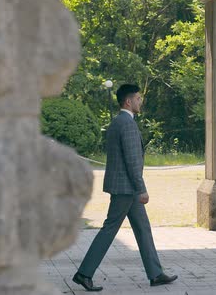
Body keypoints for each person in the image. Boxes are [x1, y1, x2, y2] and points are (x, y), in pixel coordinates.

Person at [72, 84, 178, 292]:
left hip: (123, 187)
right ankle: (84, 274)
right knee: (109, 230)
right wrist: (141, 189)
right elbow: (131, 161)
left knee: (142, 228)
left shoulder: (117, 122)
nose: (141, 101)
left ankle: (155, 274)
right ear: (128, 101)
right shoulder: (127, 124)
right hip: (126, 189)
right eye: (138, 98)